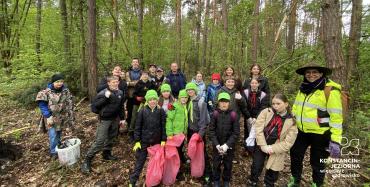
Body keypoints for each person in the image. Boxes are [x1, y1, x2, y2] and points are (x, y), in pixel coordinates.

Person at [288, 63, 343, 187]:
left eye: (314, 72)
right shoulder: (303, 87)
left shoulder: (330, 90)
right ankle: (295, 179)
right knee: (295, 155)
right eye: (308, 72)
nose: (311, 75)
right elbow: (296, 105)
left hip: (321, 134)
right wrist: (293, 117)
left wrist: (335, 140)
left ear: (321, 74)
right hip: (302, 131)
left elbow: (336, 116)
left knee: (318, 162)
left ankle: (317, 183)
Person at [247, 94, 298, 187]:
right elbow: (258, 128)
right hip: (261, 143)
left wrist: (271, 148)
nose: (275, 106)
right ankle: (253, 181)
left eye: (278, 104)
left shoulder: (291, 121)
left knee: (273, 170)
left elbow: (288, 142)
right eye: (273, 103)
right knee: (256, 165)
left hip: (277, 148)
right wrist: (263, 145)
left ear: (286, 104)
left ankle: (269, 184)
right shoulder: (266, 112)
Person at [81, 76, 125, 174]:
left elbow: (121, 106)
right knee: (100, 141)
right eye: (113, 82)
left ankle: (106, 154)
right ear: (108, 83)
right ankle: (87, 160)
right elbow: (94, 107)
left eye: (116, 82)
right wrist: (105, 97)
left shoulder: (120, 93)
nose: (115, 84)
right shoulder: (103, 93)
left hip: (115, 119)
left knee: (112, 137)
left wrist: (122, 119)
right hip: (104, 120)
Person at [129, 90, 167, 187]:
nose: (153, 101)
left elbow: (163, 126)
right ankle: (133, 180)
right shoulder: (142, 111)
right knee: (140, 160)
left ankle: (156, 178)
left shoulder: (160, 111)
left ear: (157, 100)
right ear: (147, 100)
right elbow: (137, 127)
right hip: (144, 140)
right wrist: (137, 141)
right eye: (150, 100)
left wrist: (163, 139)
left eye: (154, 99)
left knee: (157, 160)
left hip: (157, 140)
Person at [36, 73, 74, 159]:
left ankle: (58, 146)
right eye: (57, 81)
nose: (60, 83)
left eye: (61, 81)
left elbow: (69, 104)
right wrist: (48, 116)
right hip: (51, 118)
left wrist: (70, 116)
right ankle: (53, 152)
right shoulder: (46, 92)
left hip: (62, 117)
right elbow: (42, 105)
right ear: (53, 82)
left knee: (59, 132)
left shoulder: (65, 91)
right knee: (53, 134)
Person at [209, 92, 240, 187]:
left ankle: (226, 180)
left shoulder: (233, 114)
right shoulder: (215, 114)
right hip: (217, 144)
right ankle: (216, 179)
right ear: (218, 102)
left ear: (229, 103)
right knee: (216, 163)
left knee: (228, 164)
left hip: (229, 145)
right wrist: (217, 144)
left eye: (226, 102)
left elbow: (236, 133)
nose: (223, 104)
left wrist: (227, 145)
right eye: (221, 101)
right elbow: (211, 130)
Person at [185, 82, 212, 185]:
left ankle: (207, 175)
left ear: (195, 90)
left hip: (199, 132)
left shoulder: (201, 102)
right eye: (188, 90)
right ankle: (195, 170)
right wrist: (170, 107)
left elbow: (204, 120)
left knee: (202, 153)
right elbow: (175, 109)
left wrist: (200, 134)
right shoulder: (186, 101)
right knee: (192, 151)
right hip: (190, 131)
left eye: (191, 89)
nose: (189, 91)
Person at [166, 89, 189, 180]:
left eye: (185, 97)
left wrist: (185, 132)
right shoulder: (172, 105)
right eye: (182, 97)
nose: (184, 99)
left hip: (182, 134)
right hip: (175, 134)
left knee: (180, 149)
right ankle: (177, 171)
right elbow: (169, 119)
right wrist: (169, 133)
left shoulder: (185, 106)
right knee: (176, 152)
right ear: (179, 97)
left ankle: (181, 163)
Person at [242, 78, 269, 149]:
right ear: (250, 84)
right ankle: (247, 148)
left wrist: (256, 117)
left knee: (258, 132)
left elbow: (263, 107)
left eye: (255, 83)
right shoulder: (245, 92)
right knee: (247, 131)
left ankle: (256, 148)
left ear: (258, 84)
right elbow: (243, 106)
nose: (254, 85)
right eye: (252, 83)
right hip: (248, 116)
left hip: (258, 117)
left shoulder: (263, 94)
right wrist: (248, 117)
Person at [128, 71, 156, 141]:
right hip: (137, 103)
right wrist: (137, 97)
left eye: (146, 75)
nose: (145, 76)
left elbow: (155, 91)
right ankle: (131, 133)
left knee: (146, 118)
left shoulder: (150, 83)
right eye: (143, 75)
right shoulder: (138, 83)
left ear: (148, 76)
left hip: (148, 104)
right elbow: (134, 94)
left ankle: (143, 133)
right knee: (134, 118)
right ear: (141, 76)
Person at [126, 58, 142, 129]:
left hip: (139, 95)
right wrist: (136, 82)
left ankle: (137, 127)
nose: (135, 63)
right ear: (131, 63)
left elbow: (141, 81)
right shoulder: (128, 73)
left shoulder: (141, 72)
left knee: (138, 112)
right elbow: (127, 82)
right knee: (130, 112)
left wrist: (131, 83)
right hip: (130, 95)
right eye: (134, 62)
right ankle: (129, 127)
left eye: (136, 62)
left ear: (138, 64)